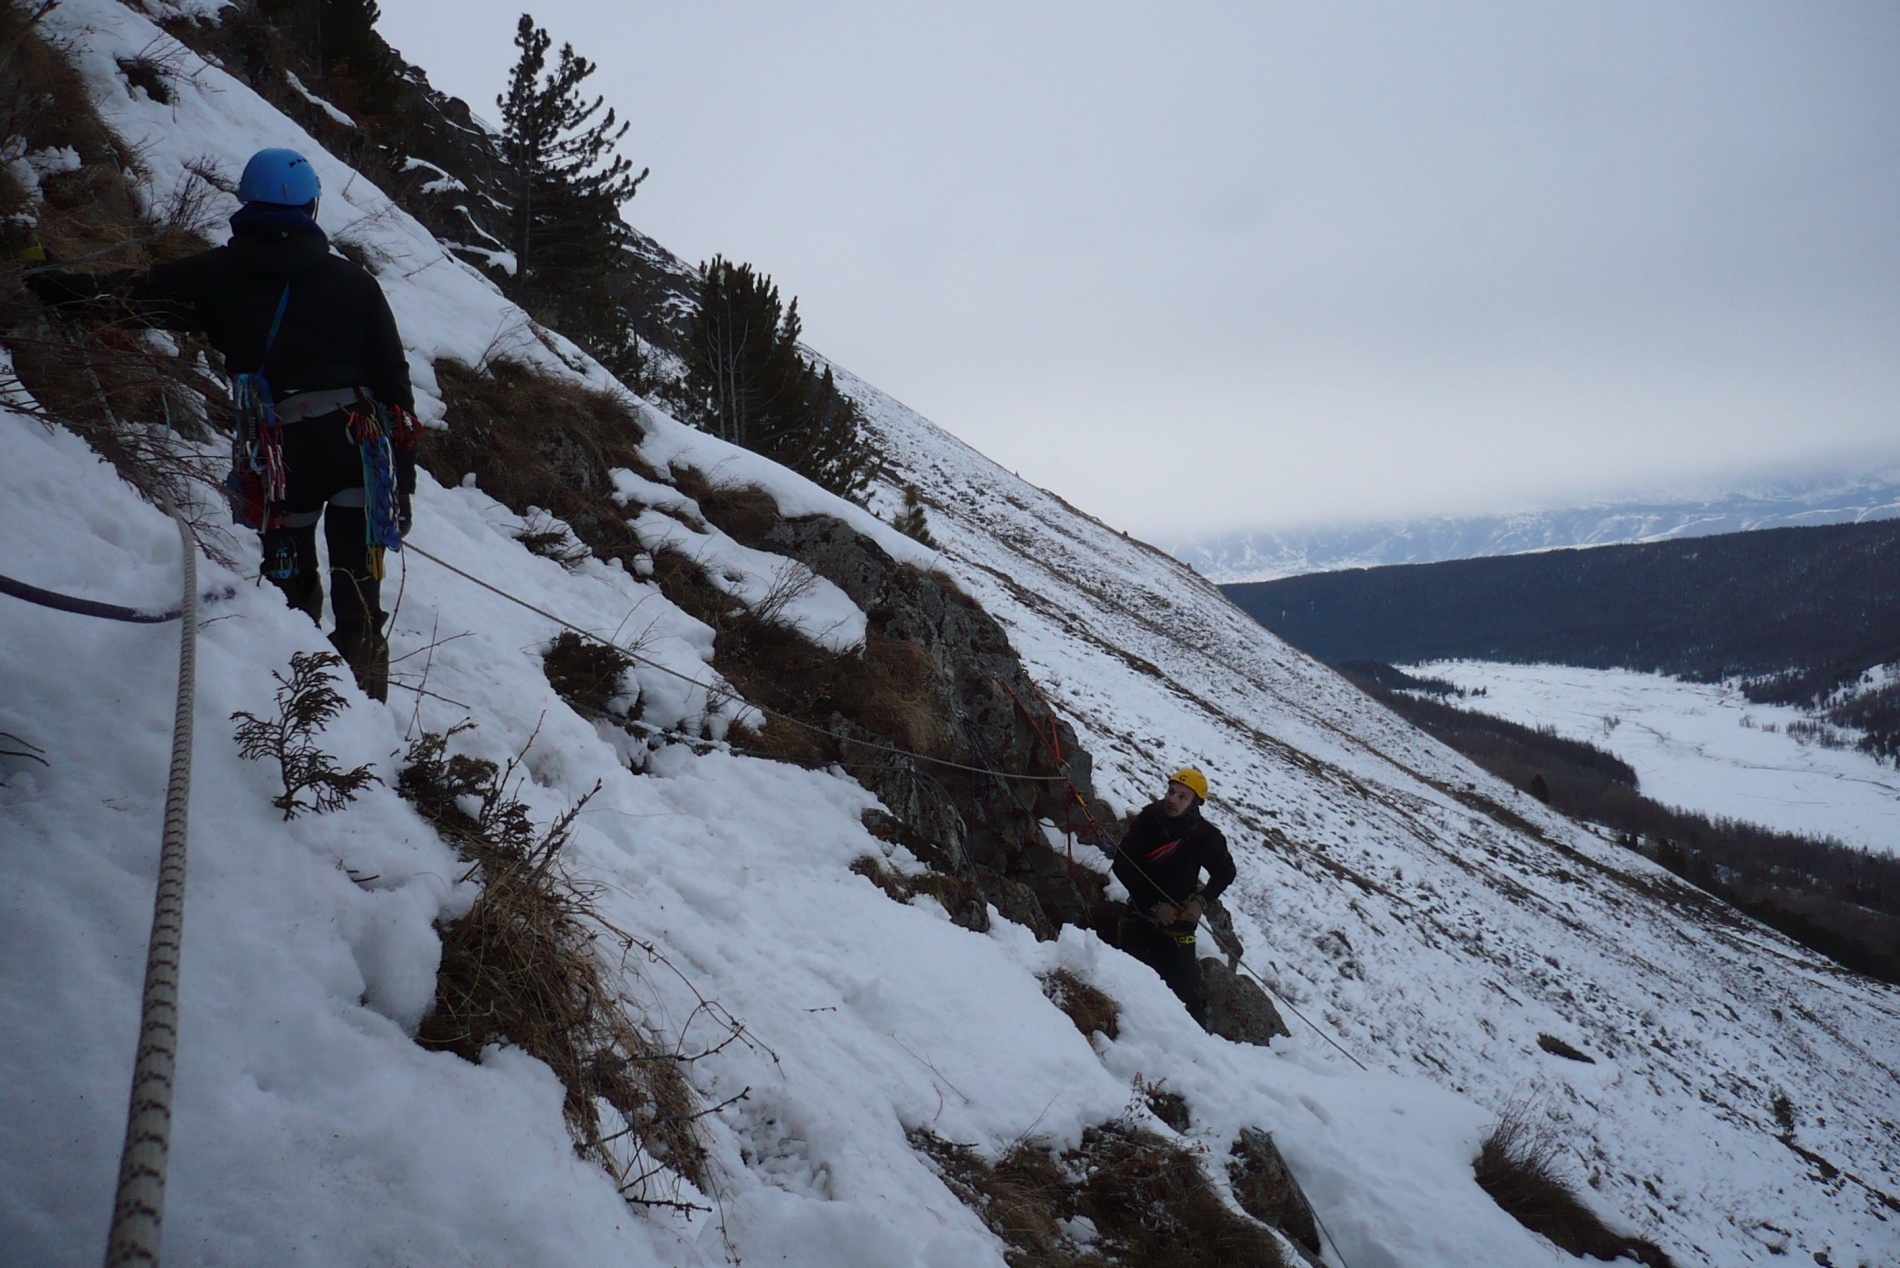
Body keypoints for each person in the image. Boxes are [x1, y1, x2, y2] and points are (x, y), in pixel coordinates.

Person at [28, 147, 415, 699]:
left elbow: (126, 296)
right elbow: (394, 387)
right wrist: (404, 483)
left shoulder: (213, 275)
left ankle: (297, 705)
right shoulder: (354, 283)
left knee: (289, 584)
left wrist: (48, 281)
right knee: (359, 592)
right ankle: (366, 720)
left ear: (246, 204)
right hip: (357, 446)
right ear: (311, 206)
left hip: (283, 455)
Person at [1111, 767, 1236, 1027]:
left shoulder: (1206, 837)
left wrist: (1200, 902)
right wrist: (1154, 905)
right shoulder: (1149, 819)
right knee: (1125, 982)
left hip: (1179, 924)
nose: (1172, 799)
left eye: (1182, 797)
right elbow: (1122, 863)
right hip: (1141, 915)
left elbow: (1225, 872)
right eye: (1171, 792)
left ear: (1194, 804)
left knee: (1185, 995)